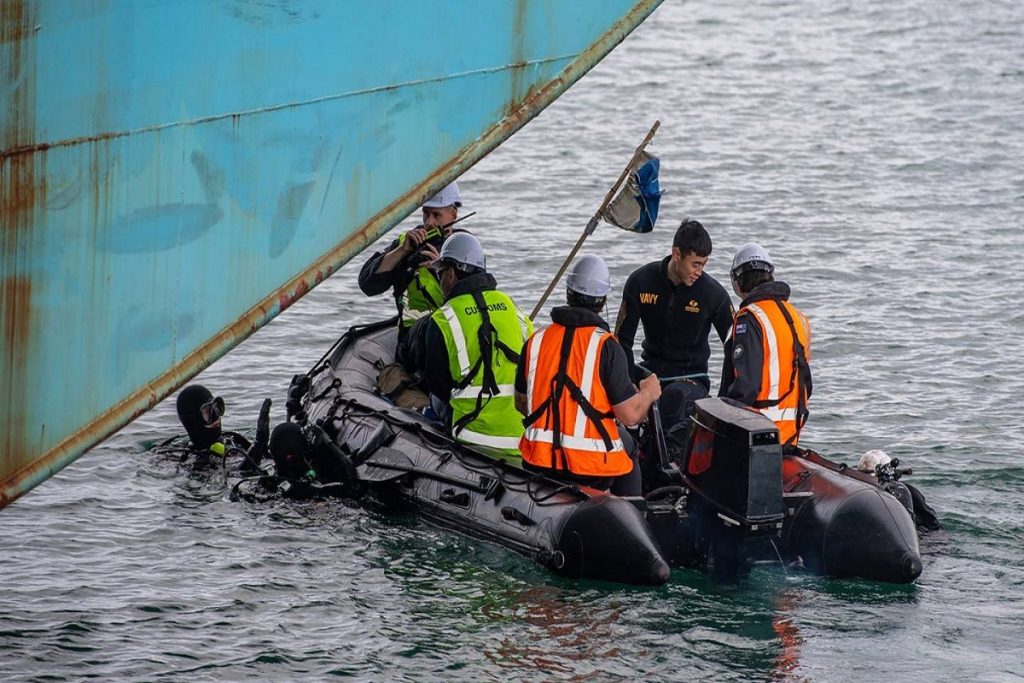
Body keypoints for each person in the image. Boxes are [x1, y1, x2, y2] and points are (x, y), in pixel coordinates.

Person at [516, 255, 662, 496]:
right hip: (590, 469)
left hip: (537, 461)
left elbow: (522, 404)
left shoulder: (536, 339)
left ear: (568, 293)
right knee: (631, 448)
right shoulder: (606, 345)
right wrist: (648, 392)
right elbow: (630, 416)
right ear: (603, 300)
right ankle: (633, 511)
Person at [421, 232, 534, 458]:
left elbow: (437, 384)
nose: (440, 281)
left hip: (472, 436)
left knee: (432, 400)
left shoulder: (444, 319)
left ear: (451, 275)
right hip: (525, 436)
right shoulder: (512, 307)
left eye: (440, 274)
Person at [614, 218, 734, 392]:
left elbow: (734, 348)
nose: (699, 272)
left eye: (703, 264)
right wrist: (627, 384)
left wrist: (725, 396)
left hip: (692, 378)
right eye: (695, 264)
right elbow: (621, 341)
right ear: (677, 255)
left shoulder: (713, 294)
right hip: (649, 374)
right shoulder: (640, 282)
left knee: (674, 398)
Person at [719, 242, 812, 448]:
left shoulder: (750, 318)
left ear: (737, 281)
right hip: (791, 434)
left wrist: (722, 423)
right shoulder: (798, 318)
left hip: (758, 434)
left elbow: (746, 387)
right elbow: (806, 382)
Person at [357, 181, 465, 350]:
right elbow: (367, 285)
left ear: (453, 214)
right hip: (413, 343)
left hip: (454, 339)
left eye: (437, 215)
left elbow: (472, 299)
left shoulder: (466, 247)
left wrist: (441, 270)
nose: (429, 222)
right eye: (426, 214)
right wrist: (402, 251)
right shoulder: (406, 243)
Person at [173, 384, 269, 473]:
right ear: (193, 421)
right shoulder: (192, 461)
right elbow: (238, 475)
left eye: (216, 408)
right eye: (208, 412)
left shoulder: (232, 440)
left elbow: (268, 458)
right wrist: (258, 444)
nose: (216, 416)